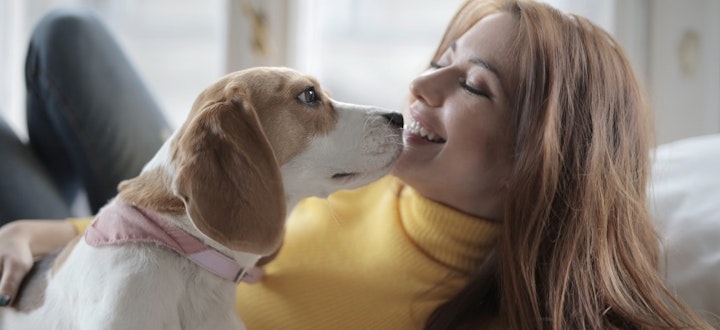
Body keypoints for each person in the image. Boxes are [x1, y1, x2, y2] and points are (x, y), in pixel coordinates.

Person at [0, 0, 713, 328]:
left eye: (471, 85)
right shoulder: (368, 169)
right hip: (136, 244)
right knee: (67, 39)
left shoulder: (463, 308)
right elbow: (181, 215)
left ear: (543, 157)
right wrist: (52, 233)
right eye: (439, 61)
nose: (419, 90)